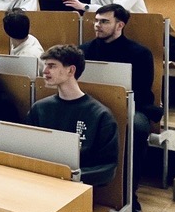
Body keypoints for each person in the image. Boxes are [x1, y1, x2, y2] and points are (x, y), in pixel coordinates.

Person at [81, 4, 158, 212]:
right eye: (96, 20)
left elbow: (142, 91)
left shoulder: (140, 53)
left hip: (133, 106)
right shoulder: (84, 51)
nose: (97, 25)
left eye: (104, 21)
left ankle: (129, 193)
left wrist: (117, 105)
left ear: (120, 25)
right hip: (92, 106)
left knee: (137, 128)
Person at [26, 45, 119, 187]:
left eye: (52, 66)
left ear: (71, 70)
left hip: (77, 187)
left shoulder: (100, 115)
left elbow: (108, 168)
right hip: (39, 182)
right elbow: (27, 149)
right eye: (45, 65)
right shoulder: (39, 108)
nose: (44, 71)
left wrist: (70, 176)